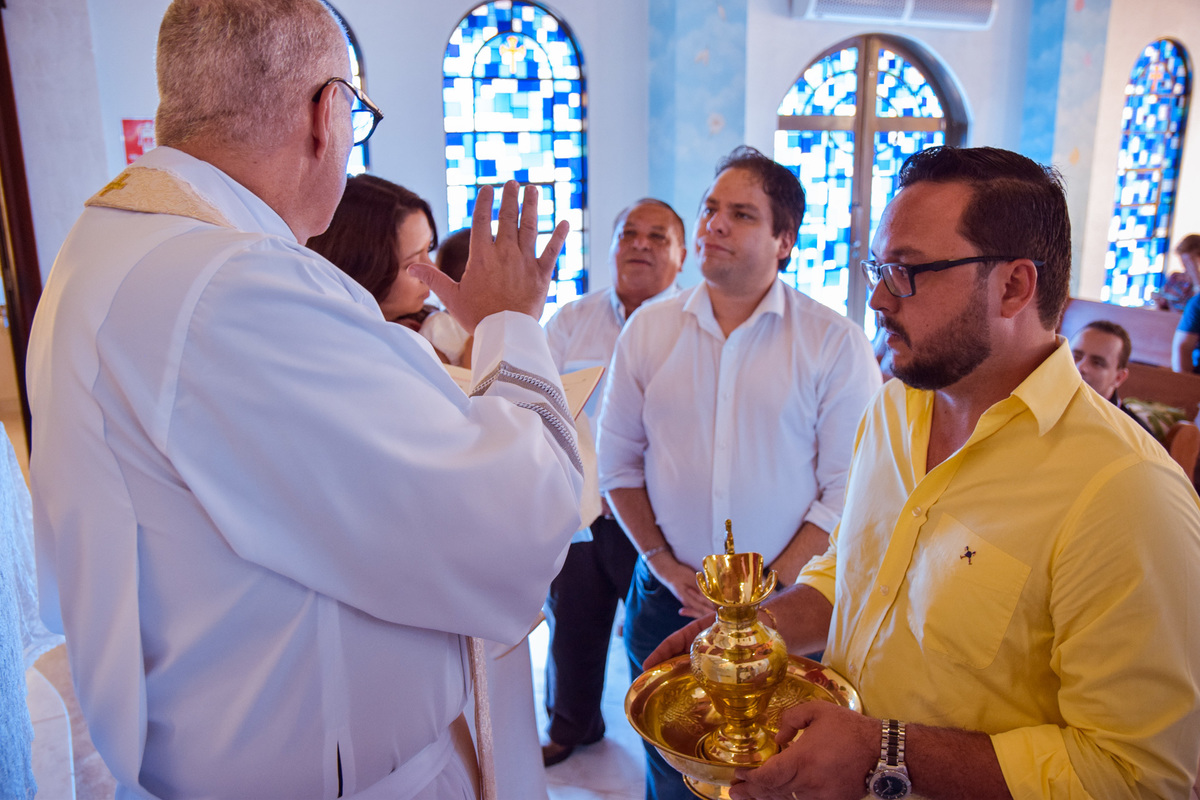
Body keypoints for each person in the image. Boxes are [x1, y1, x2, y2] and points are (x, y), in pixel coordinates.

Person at [26, 1, 584, 798]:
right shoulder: (234, 285)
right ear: (329, 112)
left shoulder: (114, 243)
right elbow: (515, 524)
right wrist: (509, 326)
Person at [649, 146, 1200, 800]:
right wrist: (754, 635)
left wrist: (884, 751)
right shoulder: (893, 409)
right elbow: (855, 578)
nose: (878, 297)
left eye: (908, 271)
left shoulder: (1125, 492)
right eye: (880, 266)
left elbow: (1138, 775)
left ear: (1014, 287)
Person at [597, 147, 881, 800]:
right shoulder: (650, 327)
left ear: (784, 240)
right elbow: (617, 465)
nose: (714, 225)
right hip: (668, 599)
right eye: (710, 210)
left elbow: (847, 489)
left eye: (742, 215)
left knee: (773, 776)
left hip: (786, 612)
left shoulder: (832, 342)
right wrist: (668, 566)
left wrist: (767, 589)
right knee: (672, 773)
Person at [540, 198, 687, 767]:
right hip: (578, 507)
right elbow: (535, 404)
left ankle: (668, 739)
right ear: (611, 248)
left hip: (653, 515)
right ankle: (572, 726)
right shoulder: (572, 321)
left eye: (657, 236)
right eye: (629, 233)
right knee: (571, 625)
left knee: (656, 639)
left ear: (680, 258)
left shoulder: (691, 329)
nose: (640, 244)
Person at [1069, 320, 1150, 429]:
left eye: (1097, 363)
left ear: (1119, 378)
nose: (1080, 367)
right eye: (1076, 356)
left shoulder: (1133, 435)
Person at [1154, 233, 1200, 311]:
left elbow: (1196, 308)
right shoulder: (1175, 278)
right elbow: (1163, 310)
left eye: (1190, 262)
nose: (1186, 267)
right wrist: (1159, 303)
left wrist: (1196, 278)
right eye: (1184, 262)